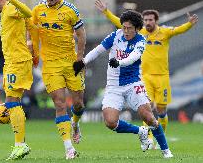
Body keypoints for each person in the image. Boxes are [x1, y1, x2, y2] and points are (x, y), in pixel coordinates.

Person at [95, 0, 198, 147]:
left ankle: (160, 136)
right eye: (146, 20)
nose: (148, 22)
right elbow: (120, 22)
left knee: (162, 110)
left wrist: (189, 24)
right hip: (144, 77)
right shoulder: (139, 33)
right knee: (147, 107)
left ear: (156, 21)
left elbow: (179, 30)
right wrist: (106, 12)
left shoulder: (165, 32)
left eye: (150, 19)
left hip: (162, 77)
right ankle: (148, 138)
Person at [73, 10, 173, 158]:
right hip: (114, 87)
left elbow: (133, 57)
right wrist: (83, 62)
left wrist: (119, 62)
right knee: (110, 122)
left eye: (129, 28)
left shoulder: (140, 40)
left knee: (149, 118)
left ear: (137, 28)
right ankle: (140, 131)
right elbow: (98, 50)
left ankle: (166, 152)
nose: (125, 31)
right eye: (124, 27)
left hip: (133, 83)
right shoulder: (115, 35)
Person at [31, 0, 86, 159]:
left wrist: (79, 58)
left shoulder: (71, 10)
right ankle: (69, 148)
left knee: (78, 103)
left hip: (71, 62)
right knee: (60, 104)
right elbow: (30, 28)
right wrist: (30, 45)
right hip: (51, 65)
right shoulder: (38, 9)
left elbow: (81, 34)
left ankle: (76, 124)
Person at [0, 0, 34, 160]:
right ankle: (20, 144)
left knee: (12, 102)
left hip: (18, 62)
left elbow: (29, 13)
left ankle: (20, 145)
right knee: (13, 102)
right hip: (11, 63)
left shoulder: (10, 8)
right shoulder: (4, 14)